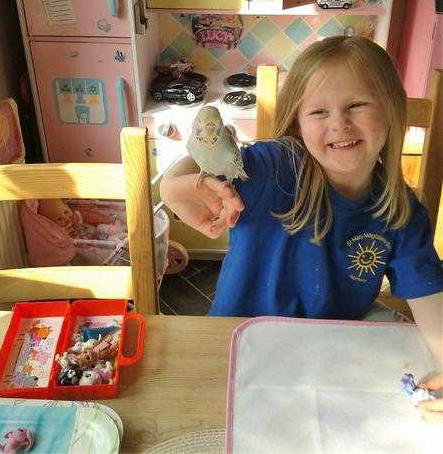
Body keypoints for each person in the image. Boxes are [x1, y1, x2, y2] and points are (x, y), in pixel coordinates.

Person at [160, 35, 443, 362]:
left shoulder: (402, 211)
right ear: (298, 123)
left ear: (392, 109)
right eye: (319, 111)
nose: (339, 123)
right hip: (237, 346)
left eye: (356, 104)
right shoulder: (272, 167)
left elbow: (430, 299)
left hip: (327, 355)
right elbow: (206, 157)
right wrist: (171, 185)